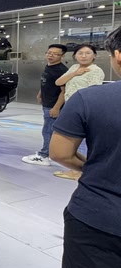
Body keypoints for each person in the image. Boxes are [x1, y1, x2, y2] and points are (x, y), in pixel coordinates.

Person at [48, 26, 121, 268]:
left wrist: (94, 167)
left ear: (116, 56)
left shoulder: (93, 98)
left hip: (99, 219)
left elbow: (60, 153)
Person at [53, 44, 105, 180]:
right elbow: (58, 82)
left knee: (80, 140)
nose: (83, 56)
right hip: (70, 107)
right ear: (75, 56)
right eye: (80, 53)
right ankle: (77, 169)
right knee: (72, 139)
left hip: (85, 109)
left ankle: (78, 171)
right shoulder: (74, 67)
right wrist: (75, 73)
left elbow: (94, 92)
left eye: (88, 53)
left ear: (94, 56)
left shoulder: (96, 71)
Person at [22, 44, 68, 167]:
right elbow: (46, 82)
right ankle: (49, 153)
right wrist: (40, 94)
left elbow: (64, 91)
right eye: (49, 52)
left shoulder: (61, 70)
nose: (51, 55)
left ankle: (44, 156)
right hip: (47, 103)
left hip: (53, 105)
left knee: (48, 131)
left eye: (55, 54)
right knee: (48, 130)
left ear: (62, 56)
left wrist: (56, 108)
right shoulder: (49, 66)